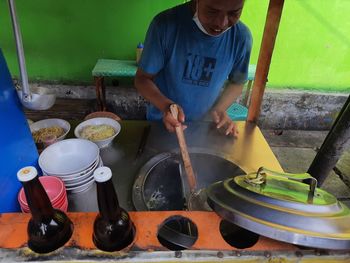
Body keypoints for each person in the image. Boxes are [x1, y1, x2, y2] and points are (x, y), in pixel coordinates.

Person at [135, 0, 252, 136]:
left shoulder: (241, 37)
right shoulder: (164, 26)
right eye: (212, 11)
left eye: (234, 13)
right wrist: (167, 107)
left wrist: (219, 109)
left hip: (205, 128)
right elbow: (142, 79)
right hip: (161, 125)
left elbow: (237, 83)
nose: (222, 23)